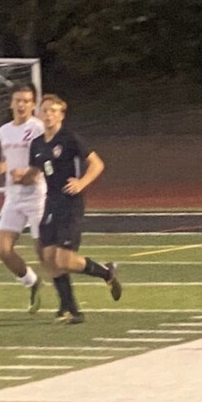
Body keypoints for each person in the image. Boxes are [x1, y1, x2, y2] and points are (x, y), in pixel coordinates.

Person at [24, 94, 122, 323]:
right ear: (39, 114)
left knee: (64, 259)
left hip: (69, 203)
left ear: (61, 114)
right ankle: (72, 310)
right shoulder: (37, 144)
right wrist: (17, 176)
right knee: (48, 257)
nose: (48, 114)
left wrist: (81, 183)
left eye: (53, 110)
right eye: (45, 110)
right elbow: (35, 172)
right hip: (50, 202)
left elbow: (97, 164)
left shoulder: (69, 138)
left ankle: (105, 272)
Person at [0, 84, 46, 313]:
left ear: (33, 104)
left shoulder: (38, 127)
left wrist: (30, 173)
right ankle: (31, 281)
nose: (21, 105)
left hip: (36, 195)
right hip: (13, 195)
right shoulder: (4, 131)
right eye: (18, 100)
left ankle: (71, 297)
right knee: (3, 250)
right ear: (11, 103)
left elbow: (43, 157)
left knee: (46, 254)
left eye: (26, 101)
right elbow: (9, 158)